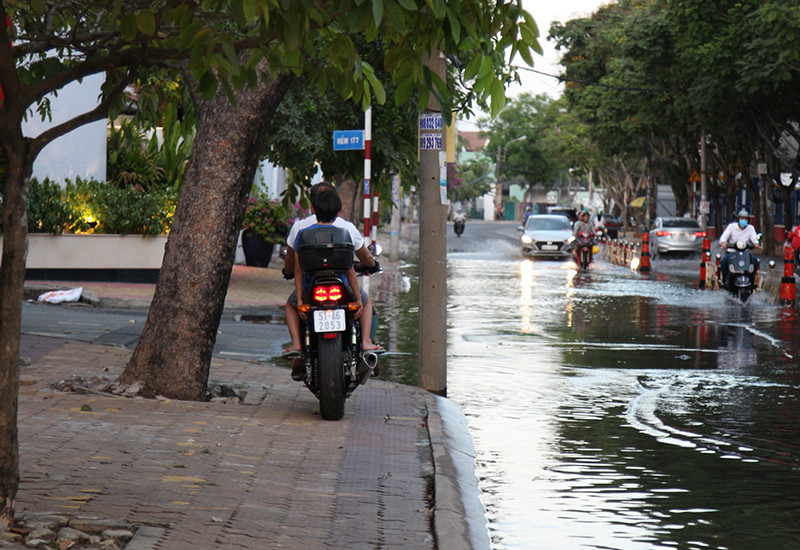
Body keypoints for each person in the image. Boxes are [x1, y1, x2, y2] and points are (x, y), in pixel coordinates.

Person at [282, 183, 381, 362]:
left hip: (309, 288)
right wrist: (358, 299)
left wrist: (301, 301)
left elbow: (297, 269)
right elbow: (349, 268)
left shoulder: (302, 233)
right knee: (367, 304)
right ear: (337, 211)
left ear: (313, 208)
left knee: (290, 305)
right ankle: (366, 342)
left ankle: (297, 344)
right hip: (342, 286)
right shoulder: (344, 232)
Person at [718, 208, 760, 284]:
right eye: (742, 218)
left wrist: (756, 244)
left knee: (755, 262)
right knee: (723, 262)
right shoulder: (731, 227)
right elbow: (723, 239)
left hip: (745, 254)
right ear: (738, 219)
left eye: (745, 219)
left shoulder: (750, 228)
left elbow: (755, 240)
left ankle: (752, 280)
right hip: (732, 253)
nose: (744, 220)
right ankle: (724, 281)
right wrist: (724, 243)